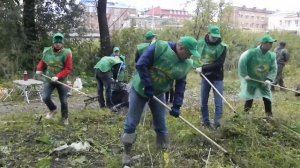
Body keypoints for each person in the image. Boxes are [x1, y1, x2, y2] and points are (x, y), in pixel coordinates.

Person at [121, 36, 200, 166]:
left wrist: (177, 105)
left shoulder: (185, 64)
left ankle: (163, 153)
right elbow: (141, 64)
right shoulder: (160, 47)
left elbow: (180, 85)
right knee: (132, 123)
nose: (189, 56)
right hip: (140, 89)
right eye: (189, 53)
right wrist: (148, 85)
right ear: (180, 47)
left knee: (161, 124)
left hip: (159, 93)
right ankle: (126, 153)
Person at [36, 33, 73, 125]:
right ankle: (53, 109)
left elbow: (68, 68)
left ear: (62, 43)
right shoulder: (47, 51)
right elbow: (43, 61)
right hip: (49, 79)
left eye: (59, 43)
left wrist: (58, 76)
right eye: (56, 42)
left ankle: (65, 118)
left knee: (63, 100)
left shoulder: (67, 53)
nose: (57, 44)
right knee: (45, 97)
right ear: (53, 43)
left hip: (61, 80)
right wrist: (39, 69)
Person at [195, 25, 228, 129]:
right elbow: (195, 57)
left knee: (218, 102)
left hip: (217, 76)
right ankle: (206, 123)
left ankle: (217, 125)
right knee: (203, 101)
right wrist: (196, 66)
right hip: (205, 77)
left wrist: (203, 68)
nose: (215, 39)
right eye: (213, 36)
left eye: (216, 37)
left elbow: (219, 64)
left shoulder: (222, 47)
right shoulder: (200, 43)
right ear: (208, 33)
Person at [238, 34, 277, 119]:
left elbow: (274, 69)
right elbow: (242, 61)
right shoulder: (251, 53)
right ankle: (246, 114)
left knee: (267, 98)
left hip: (264, 81)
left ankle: (269, 116)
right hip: (252, 79)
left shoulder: (271, 56)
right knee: (249, 97)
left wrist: (268, 79)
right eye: (269, 43)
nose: (271, 45)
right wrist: (245, 75)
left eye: (271, 43)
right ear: (263, 43)